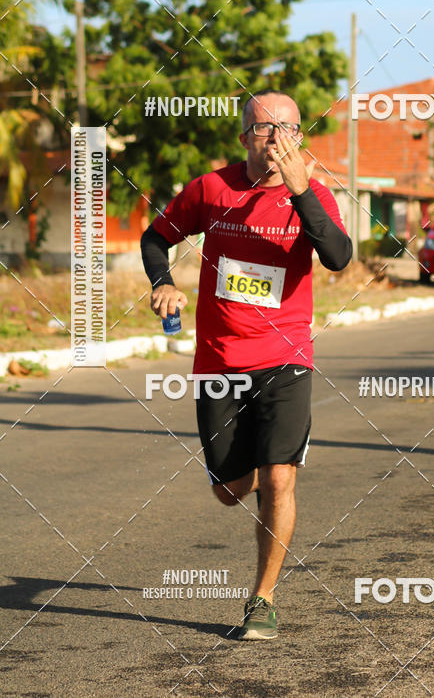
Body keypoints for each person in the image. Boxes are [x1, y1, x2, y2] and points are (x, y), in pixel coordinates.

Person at [140, 90, 352, 640]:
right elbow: (155, 237)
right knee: (229, 490)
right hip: (220, 362)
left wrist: (301, 187)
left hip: (286, 359)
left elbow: (338, 257)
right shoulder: (213, 189)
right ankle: (252, 473)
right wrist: (163, 283)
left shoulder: (315, 196)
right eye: (264, 127)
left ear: (301, 136)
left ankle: (262, 599)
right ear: (244, 138)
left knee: (281, 478)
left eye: (287, 127)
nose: (276, 137)